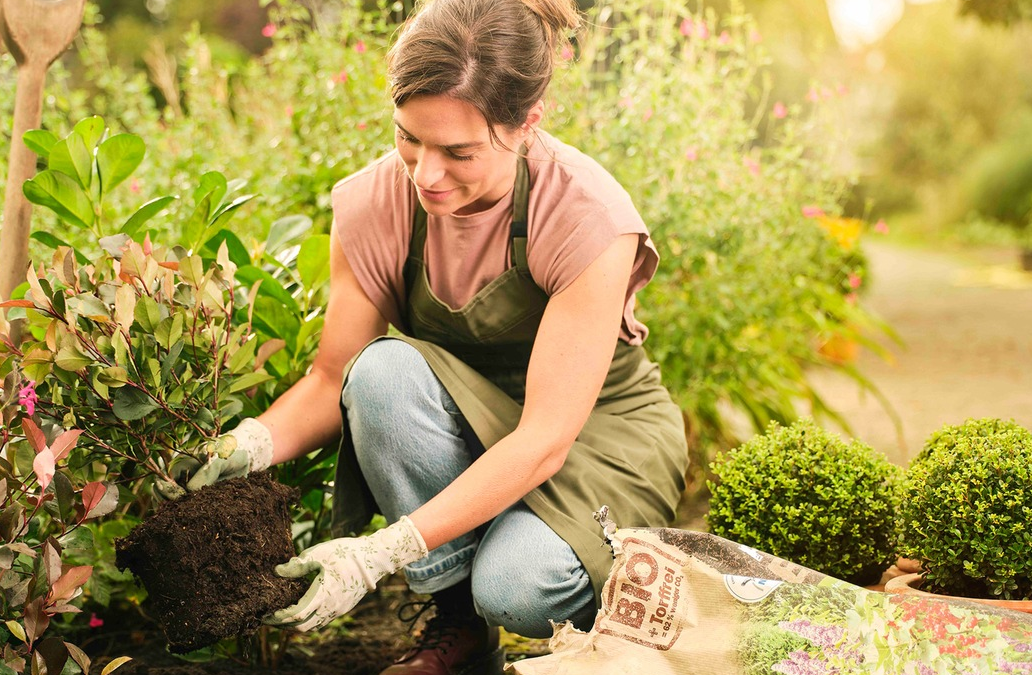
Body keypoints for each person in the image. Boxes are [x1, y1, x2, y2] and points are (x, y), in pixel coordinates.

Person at [180, 0, 689, 673]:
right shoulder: (376, 203)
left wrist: (381, 552)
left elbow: (544, 437)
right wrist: (248, 444)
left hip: (595, 434)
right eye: (409, 138)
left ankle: (612, 608)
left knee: (517, 587)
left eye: (458, 152)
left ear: (527, 123)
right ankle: (458, 624)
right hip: (477, 420)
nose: (425, 173)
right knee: (378, 373)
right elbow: (331, 379)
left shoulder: (585, 216)